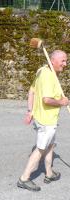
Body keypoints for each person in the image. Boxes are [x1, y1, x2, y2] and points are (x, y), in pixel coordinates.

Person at [17, 50, 69, 191]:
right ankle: (24, 178)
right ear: (53, 61)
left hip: (42, 117)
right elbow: (46, 100)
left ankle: (49, 173)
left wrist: (30, 111)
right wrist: (62, 102)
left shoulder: (41, 70)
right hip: (46, 120)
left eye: (66, 60)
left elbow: (32, 90)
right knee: (40, 149)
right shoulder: (49, 76)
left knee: (50, 145)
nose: (65, 64)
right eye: (63, 61)